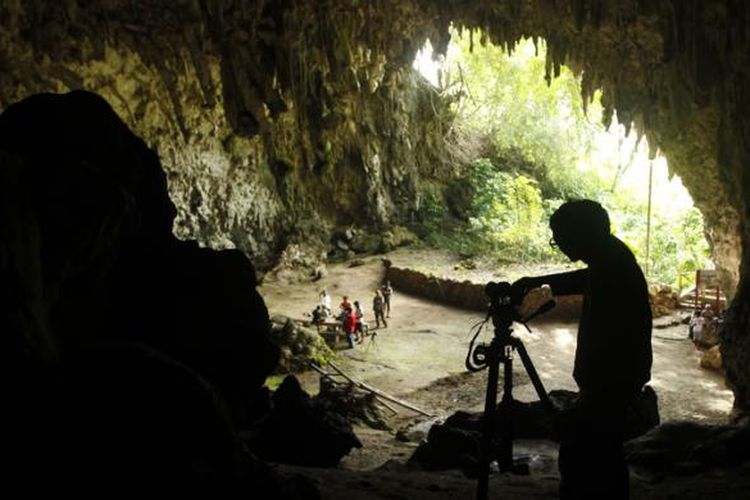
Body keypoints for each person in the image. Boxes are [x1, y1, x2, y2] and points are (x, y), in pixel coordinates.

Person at [511, 200, 652, 500]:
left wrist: (593, 398)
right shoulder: (612, 258)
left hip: (610, 384)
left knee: (588, 461)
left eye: (560, 236)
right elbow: (585, 278)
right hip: (613, 382)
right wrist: (537, 282)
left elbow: (615, 341)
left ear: (581, 233)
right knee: (602, 458)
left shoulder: (612, 266)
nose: (559, 243)